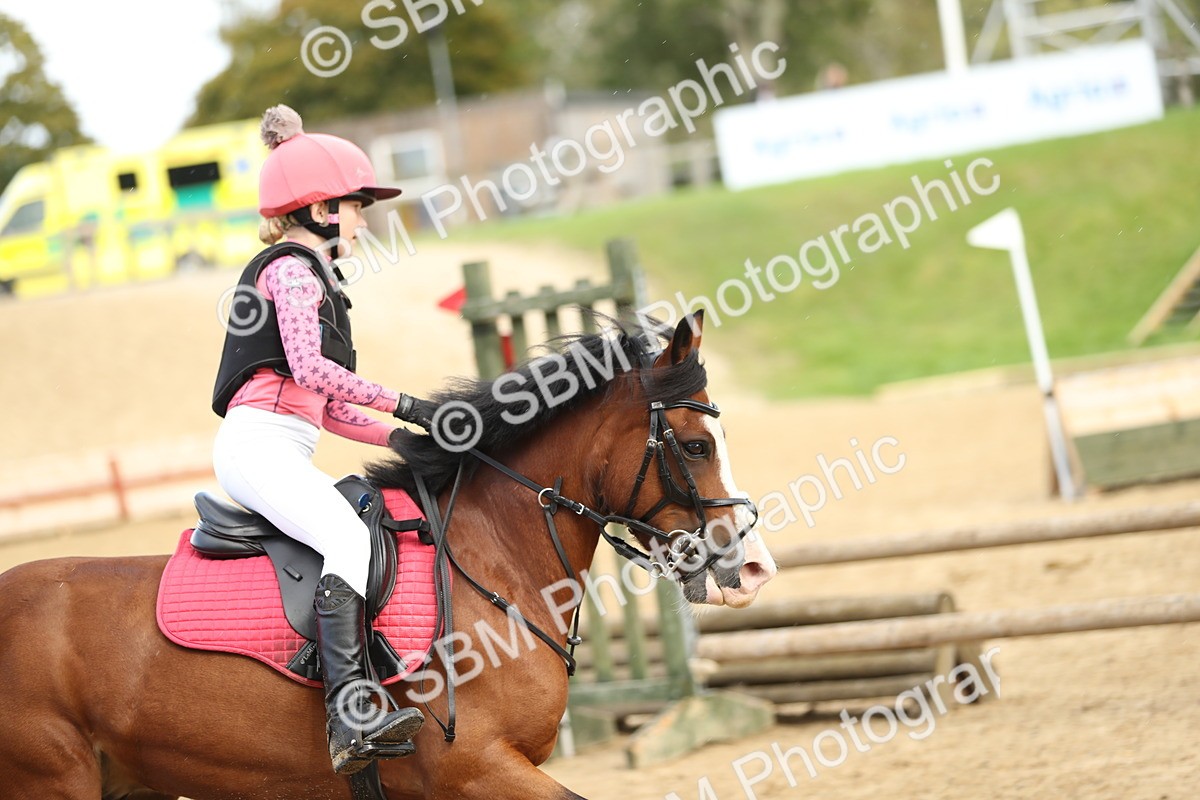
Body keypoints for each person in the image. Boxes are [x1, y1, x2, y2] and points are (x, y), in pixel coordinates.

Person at [210, 105, 425, 775]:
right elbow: (309, 371)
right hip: (258, 447)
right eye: (357, 207)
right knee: (346, 538)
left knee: (359, 527)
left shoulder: (317, 277)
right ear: (323, 208)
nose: (363, 221)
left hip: (281, 443)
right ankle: (349, 716)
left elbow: (329, 410)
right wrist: (407, 400)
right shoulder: (295, 273)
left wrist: (411, 433)